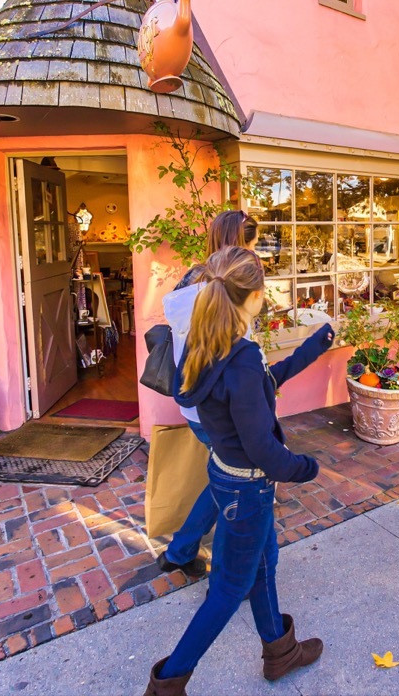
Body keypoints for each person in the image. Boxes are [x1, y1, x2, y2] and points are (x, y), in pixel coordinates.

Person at [146, 246, 334, 694]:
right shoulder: (240, 356)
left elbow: (265, 383)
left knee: (264, 565)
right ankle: (168, 683)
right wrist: (306, 467)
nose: (266, 295)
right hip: (247, 488)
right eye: (263, 287)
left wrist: (317, 343)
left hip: (227, 476)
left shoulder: (208, 345)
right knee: (229, 589)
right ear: (250, 295)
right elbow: (263, 449)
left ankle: (280, 652)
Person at [157, 210, 259, 578]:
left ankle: (181, 551)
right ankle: (188, 553)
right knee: (234, 481)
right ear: (242, 241)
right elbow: (237, 352)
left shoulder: (191, 279)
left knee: (225, 475)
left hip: (194, 399)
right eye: (252, 241)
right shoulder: (235, 284)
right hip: (223, 405)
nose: (255, 249)